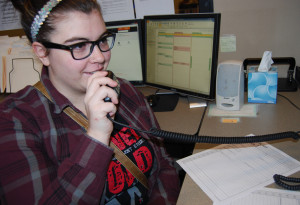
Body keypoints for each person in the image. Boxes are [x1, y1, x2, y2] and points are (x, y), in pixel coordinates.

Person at [0, 0, 180, 204]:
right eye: (78, 45)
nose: (100, 57)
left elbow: (164, 164)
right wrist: (96, 137)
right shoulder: (13, 119)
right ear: (42, 53)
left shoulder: (125, 89)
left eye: (102, 40)